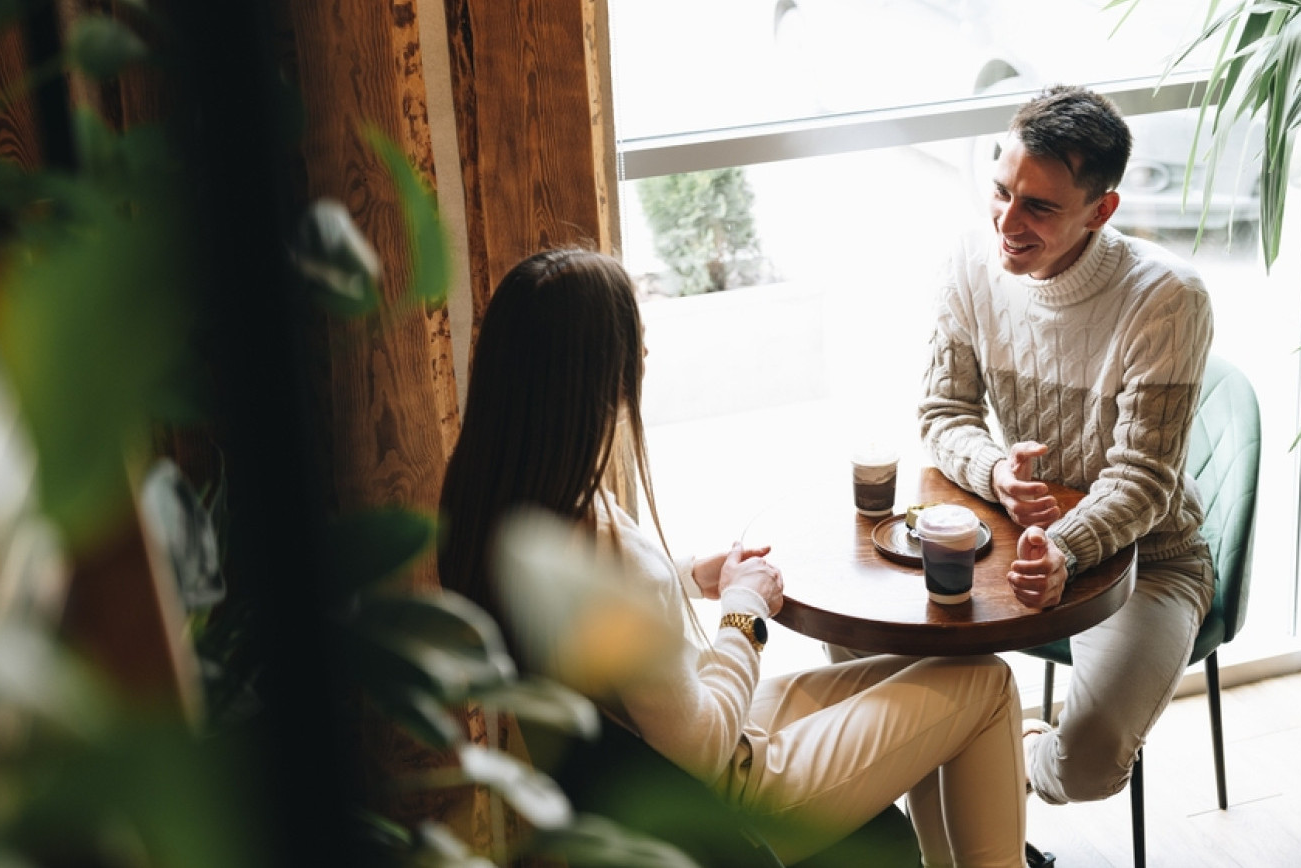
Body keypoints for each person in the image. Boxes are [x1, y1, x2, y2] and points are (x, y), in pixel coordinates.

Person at [439, 248, 1027, 867]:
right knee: (985, 681)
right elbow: (704, 745)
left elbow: (601, 610)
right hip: (729, 789)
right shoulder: (593, 536)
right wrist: (746, 608)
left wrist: (693, 575)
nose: (643, 356)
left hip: (666, 745)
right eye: (632, 341)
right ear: (594, 375)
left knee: (938, 668)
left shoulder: (500, 498)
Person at [919, 84, 1215, 806]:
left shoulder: (1168, 299)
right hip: (1004, 538)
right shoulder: (970, 262)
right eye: (1000, 191)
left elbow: (1144, 479)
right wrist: (996, 473)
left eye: (1039, 207)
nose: (1006, 222)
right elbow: (942, 412)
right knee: (895, 678)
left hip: (1146, 560)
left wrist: (1068, 546)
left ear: (1101, 209)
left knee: (1086, 772)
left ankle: (1016, 754)